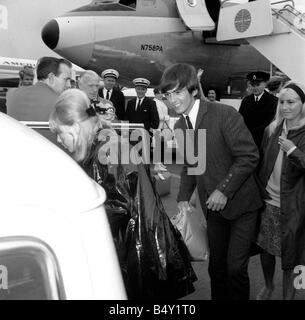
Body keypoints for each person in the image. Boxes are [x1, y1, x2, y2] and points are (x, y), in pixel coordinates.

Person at [49, 88, 197, 299]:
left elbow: (118, 207)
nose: (58, 140)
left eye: (59, 132)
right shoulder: (105, 145)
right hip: (136, 244)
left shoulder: (109, 150)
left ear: (74, 127)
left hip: (138, 249)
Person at [160, 63, 262, 300]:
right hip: (213, 209)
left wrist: (224, 190)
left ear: (194, 90)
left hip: (242, 205)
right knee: (216, 267)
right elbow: (190, 165)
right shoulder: (179, 125)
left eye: (178, 92)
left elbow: (249, 156)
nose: (172, 100)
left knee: (236, 269)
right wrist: (184, 196)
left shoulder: (224, 114)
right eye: (168, 94)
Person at [256, 81, 305, 300]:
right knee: (265, 249)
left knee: (293, 258)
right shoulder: (272, 128)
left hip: (296, 206)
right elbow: (261, 164)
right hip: (269, 202)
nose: (285, 107)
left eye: (291, 102)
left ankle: (291, 297)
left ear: (302, 104)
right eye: (282, 102)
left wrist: (293, 150)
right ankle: (268, 285)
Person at [6, 56, 72, 121]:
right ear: (51, 77)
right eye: (66, 79)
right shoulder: (61, 103)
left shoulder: (11, 94)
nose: (69, 85)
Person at [239, 71, 278, 147]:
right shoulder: (246, 100)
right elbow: (240, 119)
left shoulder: (273, 101)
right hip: (247, 140)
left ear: (265, 84)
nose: (255, 88)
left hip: (264, 141)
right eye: (253, 85)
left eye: (258, 85)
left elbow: (269, 122)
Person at [153, 87, 170, 172]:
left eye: (161, 93)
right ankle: (156, 165)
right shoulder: (155, 102)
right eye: (158, 93)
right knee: (157, 146)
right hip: (157, 127)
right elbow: (160, 117)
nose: (160, 95)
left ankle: (159, 163)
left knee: (159, 146)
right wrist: (167, 117)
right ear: (155, 94)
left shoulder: (160, 102)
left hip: (162, 127)